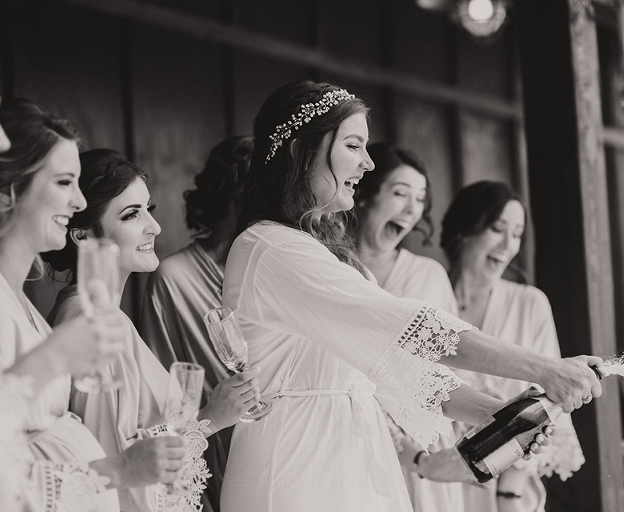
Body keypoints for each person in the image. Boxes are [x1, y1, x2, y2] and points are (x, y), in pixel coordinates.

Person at [219, 80, 602, 512]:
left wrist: (497, 414)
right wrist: (545, 368)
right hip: (296, 467)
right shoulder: (271, 249)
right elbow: (408, 329)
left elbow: (400, 370)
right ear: (299, 152)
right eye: (353, 145)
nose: (367, 163)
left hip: (353, 461)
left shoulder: (329, 256)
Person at [0, 97, 187, 512]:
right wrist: (117, 471)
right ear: (7, 193)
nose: (79, 203)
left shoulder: (15, 300)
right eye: (64, 183)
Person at [43, 147, 261, 512]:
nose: (154, 227)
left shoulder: (100, 315)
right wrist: (210, 418)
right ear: (83, 235)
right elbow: (112, 464)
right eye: (131, 214)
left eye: (149, 209)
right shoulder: (92, 323)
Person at [441, 180, 586, 512]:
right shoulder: (430, 295)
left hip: (507, 490)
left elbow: (550, 403)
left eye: (517, 234)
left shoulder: (529, 304)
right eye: (497, 229)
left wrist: (509, 495)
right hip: (435, 483)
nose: (508, 245)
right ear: (465, 230)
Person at [352, 141, 470, 511]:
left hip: (421, 442)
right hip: (351, 433)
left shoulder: (429, 276)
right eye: (400, 193)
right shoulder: (332, 271)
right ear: (364, 196)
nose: (411, 208)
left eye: (419, 199)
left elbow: (452, 362)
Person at [140, 136, 253, 511]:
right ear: (234, 198)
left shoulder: (270, 271)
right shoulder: (173, 279)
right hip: (214, 446)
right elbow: (163, 392)